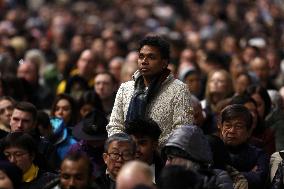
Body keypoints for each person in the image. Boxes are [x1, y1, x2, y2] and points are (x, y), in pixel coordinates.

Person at [107, 35, 193, 145]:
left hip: (161, 157)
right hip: (127, 155)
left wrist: (149, 146)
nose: (144, 61)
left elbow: (182, 130)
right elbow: (115, 125)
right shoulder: (125, 88)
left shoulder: (179, 89)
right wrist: (126, 146)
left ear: (164, 63)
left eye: (151, 57)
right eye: (141, 56)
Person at [161, 125, 234, 189]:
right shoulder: (170, 178)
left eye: (171, 158)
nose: (167, 164)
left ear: (189, 158)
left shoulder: (218, 179)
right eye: (167, 158)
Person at [219, 104, 269, 189]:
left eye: (238, 126)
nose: (232, 131)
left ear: (249, 132)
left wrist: (225, 175)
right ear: (221, 127)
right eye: (228, 125)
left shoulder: (258, 154)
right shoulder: (213, 149)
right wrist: (247, 174)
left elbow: (259, 179)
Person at [69, 109, 108, 179]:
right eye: (91, 139)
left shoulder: (112, 151)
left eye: (98, 139)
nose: (94, 143)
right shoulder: (76, 149)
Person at [125, 118, 163, 183]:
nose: (136, 149)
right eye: (132, 143)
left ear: (154, 145)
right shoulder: (118, 171)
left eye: (142, 143)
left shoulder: (166, 175)